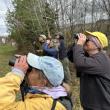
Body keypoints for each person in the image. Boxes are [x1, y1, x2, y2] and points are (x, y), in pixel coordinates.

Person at [0, 53, 73, 110]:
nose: (27, 71)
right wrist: (24, 63)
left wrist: (16, 74)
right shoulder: (55, 92)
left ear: (43, 81)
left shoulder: (42, 105)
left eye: (31, 69)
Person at [68, 31, 110, 110]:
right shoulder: (89, 56)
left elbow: (79, 63)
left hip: (101, 106)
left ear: (98, 45)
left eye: (89, 39)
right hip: (91, 104)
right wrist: (77, 43)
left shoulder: (102, 59)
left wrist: (80, 44)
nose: (86, 40)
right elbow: (71, 56)